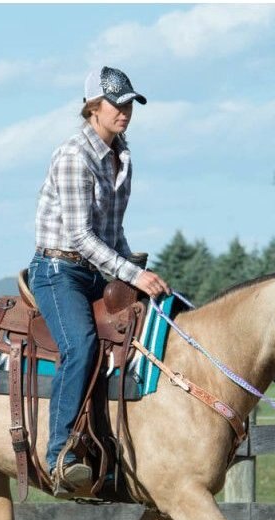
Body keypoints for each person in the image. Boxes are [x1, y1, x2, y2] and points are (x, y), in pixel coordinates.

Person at [29, 65, 170, 497]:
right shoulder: (74, 156)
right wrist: (132, 273)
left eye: (130, 104)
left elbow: (110, 232)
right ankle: (59, 454)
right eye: (117, 103)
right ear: (93, 107)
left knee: (137, 339)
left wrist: (132, 263)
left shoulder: (121, 157)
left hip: (93, 270)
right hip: (58, 271)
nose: (125, 111)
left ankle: (111, 450)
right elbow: (79, 236)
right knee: (82, 345)